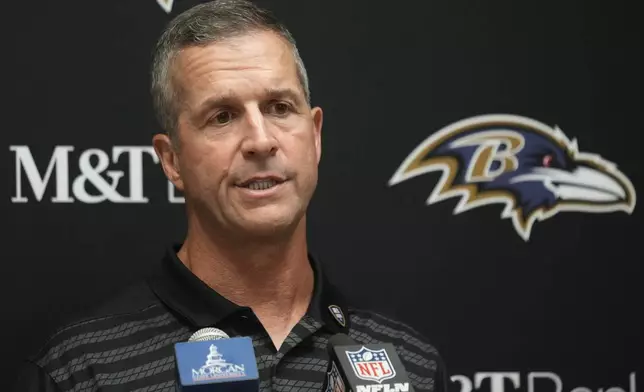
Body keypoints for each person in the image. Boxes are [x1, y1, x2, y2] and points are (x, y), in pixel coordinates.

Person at [13, 1, 448, 391]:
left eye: (279, 107)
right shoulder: (81, 370)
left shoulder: (410, 363)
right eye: (222, 117)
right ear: (171, 160)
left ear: (314, 136)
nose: (261, 140)